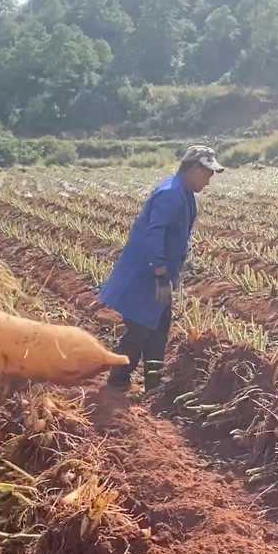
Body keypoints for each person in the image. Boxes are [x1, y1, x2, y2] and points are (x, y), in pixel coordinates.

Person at [99, 145, 224, 392]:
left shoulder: (184, 193)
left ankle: (153, 384)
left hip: (158, 276)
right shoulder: (171, 193)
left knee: (158, 327)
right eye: (207, 174)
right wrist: (160, 273)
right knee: (140, 328)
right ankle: (117, 382)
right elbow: (154, 234)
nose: (209, 181)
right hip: (145, 276)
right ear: (194, 168)